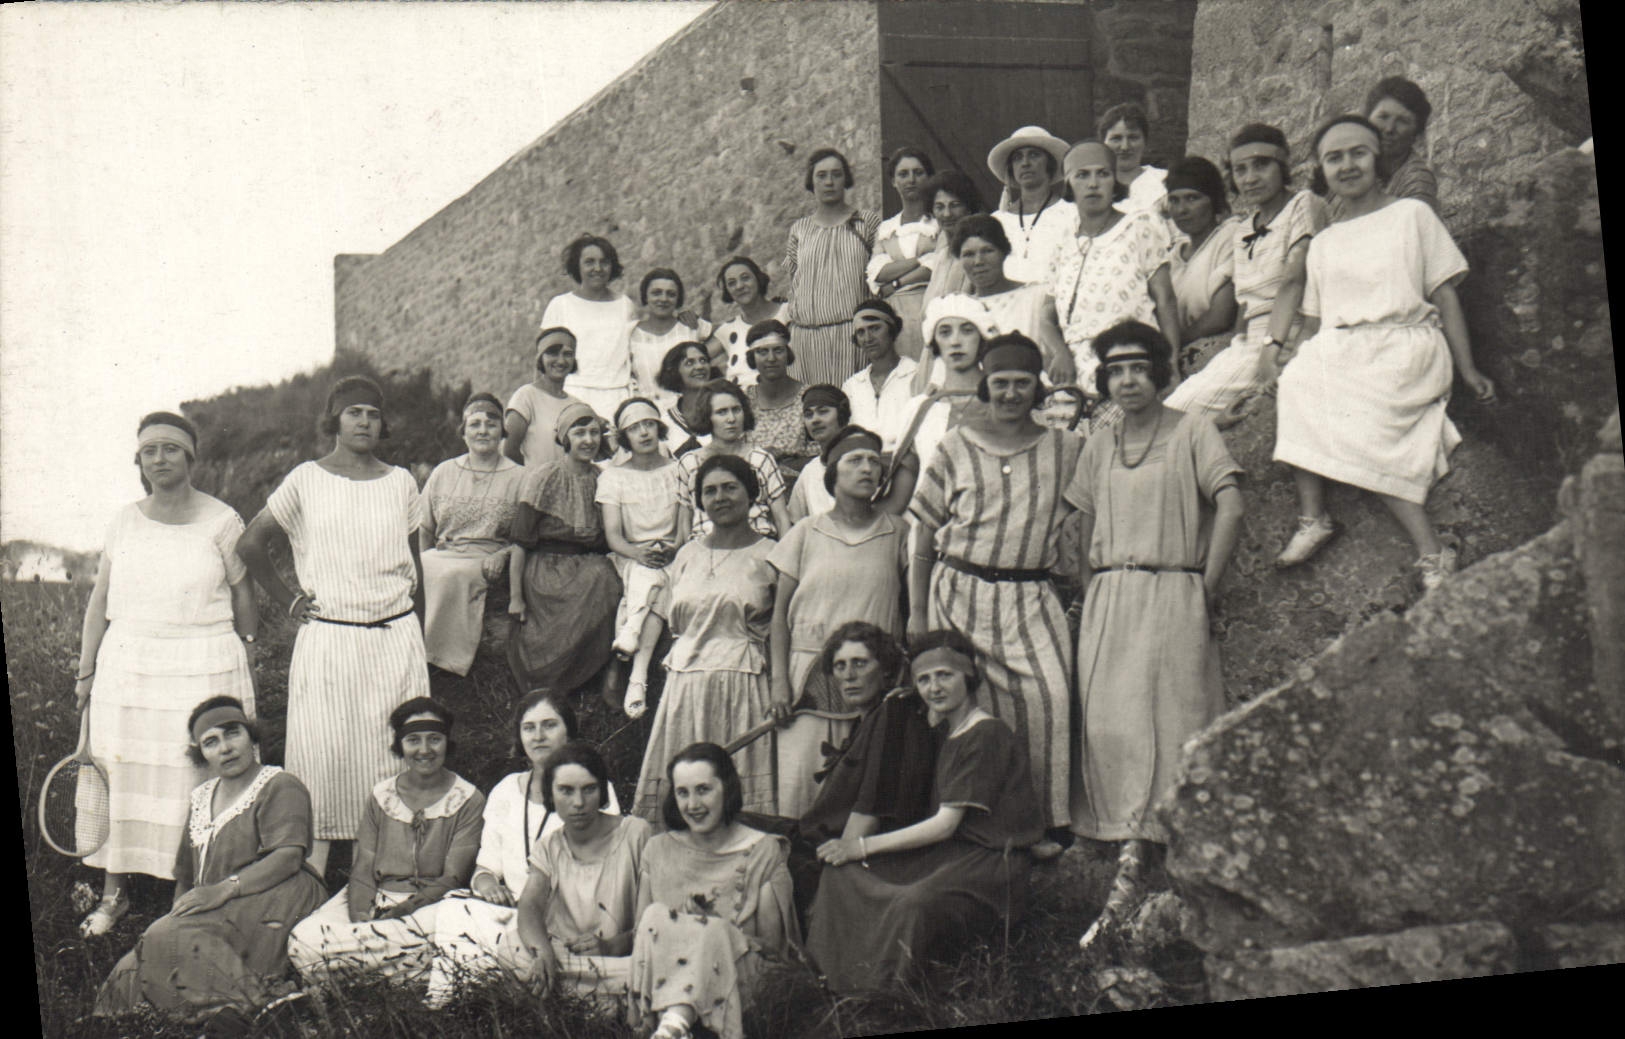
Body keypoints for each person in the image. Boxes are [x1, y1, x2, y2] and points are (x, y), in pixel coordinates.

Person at [1063, 322, 1245, 953]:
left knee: (1174, 718)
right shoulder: (1099, 441)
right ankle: (1122, 860)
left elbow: (1231, 502)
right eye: (1115, 370)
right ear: (1103, 380)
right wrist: (1091, 585)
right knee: (1111, 722)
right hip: (1113, 593)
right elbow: (1078, 523)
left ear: (1160, 371)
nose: (1128, 380)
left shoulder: (1192, 429)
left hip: (1174, 589)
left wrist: (1206, 583)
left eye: (1139, 367)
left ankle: (1166, 858)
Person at [1274, 115, 1496, 589]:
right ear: (1322, 169)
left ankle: (1431, 553)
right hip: (1342, 346)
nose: (1347, 165)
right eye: (1334, 158)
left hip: (1405, 344)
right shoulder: (1325, 241)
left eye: (1358, 153)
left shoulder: (1412, 215)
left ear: (1377, 159)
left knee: (1365, 418)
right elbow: (1314, 322)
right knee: (1297, 381)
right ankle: (1314, 517)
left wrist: (1468, 367)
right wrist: (1288, 359)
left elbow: (1444, 295)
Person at [72, 412, 260, 937]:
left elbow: (243, 590)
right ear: (139, 461)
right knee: (122, 771)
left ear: (190, 457)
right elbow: (100, 600)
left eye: (170, 449)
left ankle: (195, 891)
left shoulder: (223, 519)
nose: (160, 459)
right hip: (128, 666)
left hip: (205, 660)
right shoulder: (124, 520)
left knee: (194, 775)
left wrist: (247, 653)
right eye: (149, 451)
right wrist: (86, 673)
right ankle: (114, 894)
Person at [238, 376, 427, 876]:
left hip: (395, 637)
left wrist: (420, 633)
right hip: (330, 636)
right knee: (323, 758)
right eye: (353, 413)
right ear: (335, 421)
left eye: (372, 413)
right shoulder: (306, 479)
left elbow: (416, 564)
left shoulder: (402, 482)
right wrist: (289, 600)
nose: (364, 421)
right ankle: (312, 877)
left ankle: (390, 870)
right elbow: (252, 544)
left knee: (393, 753)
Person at [908, 335, 1081, 849]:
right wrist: (918, 613)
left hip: (1029, 598)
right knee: (961, 713)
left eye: (1021, 384)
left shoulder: (1068, 448)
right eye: (1000, 382)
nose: (1010, 394)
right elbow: (922, 539)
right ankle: (968, 830)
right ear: (985, 384)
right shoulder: (955, 445)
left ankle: (1043, 825)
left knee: (1048, 700)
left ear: (1038, 388)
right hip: (958, 593)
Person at [805, 630, 1043, 992]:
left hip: (990, 865)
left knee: (910, 903)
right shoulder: (948, 731)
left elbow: (945, 825)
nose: (935, 687)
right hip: (950, 855)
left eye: (944, 675)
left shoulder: (985, 735)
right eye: (924, 679)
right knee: (842, 874)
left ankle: (886, 992)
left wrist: (862, 846)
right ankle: (829, 976)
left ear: (968, 676)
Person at [94, 698, 324, 1029]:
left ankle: (261, 1003)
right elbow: (186, 877)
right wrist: (179, 915)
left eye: (233, 734)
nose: (226, 748)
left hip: (278, 892)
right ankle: (204, 1016)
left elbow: (288, 856)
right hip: (222, 900)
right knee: (132, 967)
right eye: (211, 742)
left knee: (163, 940)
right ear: (201, 753)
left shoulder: (278, 783)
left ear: (251, 737)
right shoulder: (202, 797)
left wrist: (222, 891)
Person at [420, 693, 624, 1005]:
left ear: (568, 732)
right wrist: (487, 884)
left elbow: (607, 869)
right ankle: (447, 1002)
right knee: (454, 909)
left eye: (549, 725)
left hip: (569, 915)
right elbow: (486, 867)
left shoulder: (593, 788)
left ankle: (504, 990)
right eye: (529, 728)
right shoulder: (505, 790)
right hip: (512, 911)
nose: (538, 736)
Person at [287, 698, 485, 988]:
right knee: (302, 939)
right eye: (413, 740)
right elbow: (364, 866)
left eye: (434, 739)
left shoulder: (468, 799)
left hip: (433, 905)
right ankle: (415, 971)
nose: (424, 750)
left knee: (450, 930)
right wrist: (361, 918)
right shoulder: (381, 796)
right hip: (378, 898)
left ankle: (352, 972)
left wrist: (401, 913)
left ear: (447, 742)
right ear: (399, 745)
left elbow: (452, 877)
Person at [633, 455, 781, 820]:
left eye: (730, 487)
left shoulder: (773, 555)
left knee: (739, 794)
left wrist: (780, 685)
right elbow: (667, 617)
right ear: (699, 501)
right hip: (687, 690)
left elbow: (782, 627)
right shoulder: (686, 555)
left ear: (752, 492)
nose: (720, 497)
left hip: (743, 687)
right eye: (710, 491)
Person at [628, 743, 800, 1039]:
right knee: (656, 913)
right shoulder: (657, 849)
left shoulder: (763, 850)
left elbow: (773, 950)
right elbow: (642, 935)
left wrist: (708, 927)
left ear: (727, 789)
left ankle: (673, 1024)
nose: (693, 804)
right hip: (664, 972)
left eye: (703, 789)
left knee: (711, 930)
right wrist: (683, 926)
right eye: (683, 793)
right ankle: (677, 1022)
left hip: (740, 977)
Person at [1162, 124, 1329, 424]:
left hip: (1286, 336)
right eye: (1240, 170)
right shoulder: (1243, 230)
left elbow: (1294, 279)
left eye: (1261, 166)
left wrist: (1270, 352)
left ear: (1282, 167)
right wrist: (1235, 347)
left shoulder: (1303, 204)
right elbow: (1245, 305)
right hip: (1247, 344)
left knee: (1176, 416)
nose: (1250, 178)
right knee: (1172, 409)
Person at [769, 425, 908, 712]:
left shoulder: (899, 532)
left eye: (873, 461)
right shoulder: (806, 531)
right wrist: (779, 681)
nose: (867, 469)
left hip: (875, 680)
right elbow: (779, 615)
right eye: (855, 461)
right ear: (833, 473)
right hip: (807, 677)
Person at [1048, 140, 1181, 414]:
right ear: (1069, 184)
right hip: (1074, 368)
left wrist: (1171, 362)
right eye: (1082, 175)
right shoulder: (1063, 240)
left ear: (1114, 181)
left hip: (1129, 360)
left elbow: (1165, 299)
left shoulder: (1140, 224)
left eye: (1103, 174)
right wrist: (1060, 352)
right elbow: (1044, 316)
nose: (1093, 183)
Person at [506, 403, 623, 697]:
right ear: (565, 438)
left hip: (587, 564)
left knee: (604, 577)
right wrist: (515, 598)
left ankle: (597, 674)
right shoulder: (544, 477)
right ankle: (550, 683)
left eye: (594, 432)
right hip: (546, 567)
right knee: (598, 578)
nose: (588, 440)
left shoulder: (603, 478)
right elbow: (520, 542)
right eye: (580, 432)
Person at [419, 393, 528, 676]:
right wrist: (418, 559)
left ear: (502, 432)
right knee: (416, 571)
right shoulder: (444, 472)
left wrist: (502, 555)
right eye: (475, 424)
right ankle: (405, 652)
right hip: (443, 552)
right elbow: (424, 527)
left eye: (491, 424)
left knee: (450, 577)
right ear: (464, 432)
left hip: (485, 558)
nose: (483, 430)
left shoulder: (519, 477)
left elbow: (528, 535)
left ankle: (435, 662)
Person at [598, 397, 682, 718]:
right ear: (624, 437)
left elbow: (684, 526)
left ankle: (636, 665)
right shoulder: (613, 477)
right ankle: (638, 671)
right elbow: (614, 536)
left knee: (660, 576)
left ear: (659, 428)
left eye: (649, 425)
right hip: (630, 555)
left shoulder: (678, 470)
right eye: (634, 428)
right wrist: (639, 552)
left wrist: (670, 548)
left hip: (672, 550)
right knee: (650, 575)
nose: (644, 433)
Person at [783, 147, 881, 388]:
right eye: (822, 175)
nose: (829, 182)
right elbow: (795, 281)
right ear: (811, 182)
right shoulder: (800, 230)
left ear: (845, 180)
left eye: (836, 175)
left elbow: (880, 278)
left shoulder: (866, 222)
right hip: (806, 341)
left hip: (852, 339)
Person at [952, 214, 1073, 384]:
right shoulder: (957, 309)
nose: (978, 261)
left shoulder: (1038, 296)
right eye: (968, 254)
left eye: (987, 251)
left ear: (1004, 252)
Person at [674, 380, 791, 542]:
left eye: (736, 410)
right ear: (708, 417)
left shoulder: (760, 459)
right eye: (721, 412)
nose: (731, 419)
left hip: (756, 545)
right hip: (706, 548)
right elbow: (685, 521)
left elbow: (781, 518)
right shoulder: (689, 462)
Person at [894, 294, 997, 477]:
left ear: (982, 338)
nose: (955, 341)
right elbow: (905, 490)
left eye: (967, 330)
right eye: (945, 332)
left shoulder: (1005, 401)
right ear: (934, 342)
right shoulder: (917, 409)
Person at [541, 234, 639, 419]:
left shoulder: (625, 306)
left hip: (617, 398)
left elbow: (634, 357)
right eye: (589, 262)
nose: (597, 268)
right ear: (577, 266)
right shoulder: (560, 305)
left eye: (604, 262)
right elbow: (542, 362)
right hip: (573, 395)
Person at [1164, 157, 1242, 370]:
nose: (1182, 210)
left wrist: (1169, 345)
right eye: (1174, 200)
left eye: (1192, 198)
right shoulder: (1172, 255)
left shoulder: (1230, 237)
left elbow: (1220, 316)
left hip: (1215, 351)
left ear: (1214, 201)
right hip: (1175, 350)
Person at [867, 146, 938, 364]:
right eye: (903, 174)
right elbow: (878, 272)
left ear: (929, 177)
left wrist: (896, 283)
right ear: (893, 181)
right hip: (896, 317)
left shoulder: (939, 222)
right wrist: (919, 260)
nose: (911, 180)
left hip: (932, 307)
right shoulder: (887, 229)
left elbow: (936, 266)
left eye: (918, 172)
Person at [988, 125, 1076, 285]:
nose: (1025, 163)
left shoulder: (1072, 214)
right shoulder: (997, 221)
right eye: (1017, 158)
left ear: (1049, 164)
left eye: (1034, 155)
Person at [839, 299, 920, 457]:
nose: (867, 338)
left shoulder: (915, 375)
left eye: (874, 328)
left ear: (892, 330)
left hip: (906, 463)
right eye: (861, 332)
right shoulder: (852, 385)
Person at [740, 320, 815, 479]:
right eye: (762, 352)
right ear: (752, 357)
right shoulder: (744, 401)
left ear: (788, 354)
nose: (771, 358)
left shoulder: (809, 396)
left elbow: (820, 453)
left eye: (778, 350)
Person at [505, 327, 587, 470]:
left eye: (567, 354)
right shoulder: (526, 396)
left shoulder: (577, 405)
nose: (561, 361)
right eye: (553, 353)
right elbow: (509, 451)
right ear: (540, 358)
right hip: (534, 488)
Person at [630, 268, 713, 405]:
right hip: (650, 411)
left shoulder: (690, 326)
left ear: (678, 299)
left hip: (690, 409)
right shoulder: (630, 332)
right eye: (656, 293)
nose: (663, 299)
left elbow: (727, 333)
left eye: (671, 294)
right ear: (645, 296)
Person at [1359, 77, 1439, 212]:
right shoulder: (1350, 162)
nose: (1389, 128)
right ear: (1367, 120)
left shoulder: (1417, 184)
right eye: (1383, 117)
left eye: (1403, 121)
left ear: (1416, 133)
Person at [918, 169, 989, 317]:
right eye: (939, 207)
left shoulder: (980, 252)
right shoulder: (942, 255)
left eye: (955, 205)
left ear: (968, 207)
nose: (947, 214)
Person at [708, 256, 785, 389]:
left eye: (745, 278)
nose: (739, 286)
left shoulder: (788, 312)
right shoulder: (728, 330)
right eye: (731, 283)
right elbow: (694, 357)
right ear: (727, 292)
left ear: (758, 279)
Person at [785, 384, 850, 524]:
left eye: (823, 411)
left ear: (842, 414)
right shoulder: (810, 471)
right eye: (809, 414)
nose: (815, 420)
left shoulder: (860, 460)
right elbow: (794, 522)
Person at [1099, 102, 1168, 216]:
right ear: (1103, 143)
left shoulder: (1164, 180)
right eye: (1116, 138)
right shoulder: (1093, 184)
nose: (1125, 146)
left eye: (1133, 137)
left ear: (1145, 142)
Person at [653, 340, 718, 456]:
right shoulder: (665, 421)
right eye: (689, 363)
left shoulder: (724, 409)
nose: (699, 366)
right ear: (675, 372)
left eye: (703, 360)